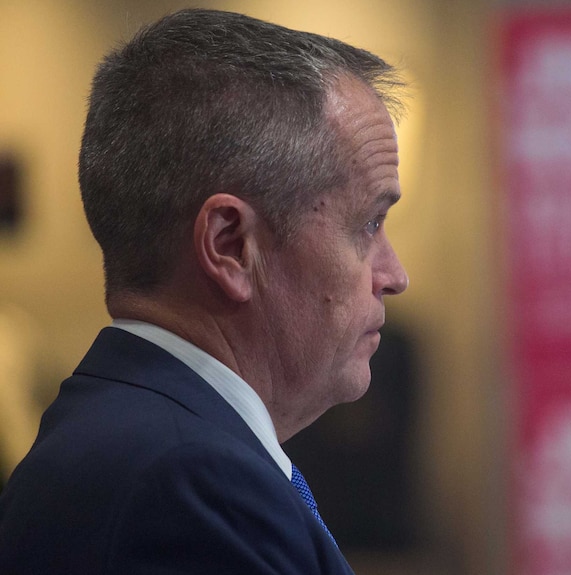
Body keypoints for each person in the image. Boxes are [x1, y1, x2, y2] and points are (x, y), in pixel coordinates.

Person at [0, 8, 409, 574]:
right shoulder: (190, 486)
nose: (394, 275)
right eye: (369, 223)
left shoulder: (133, 438)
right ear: (231, 246)